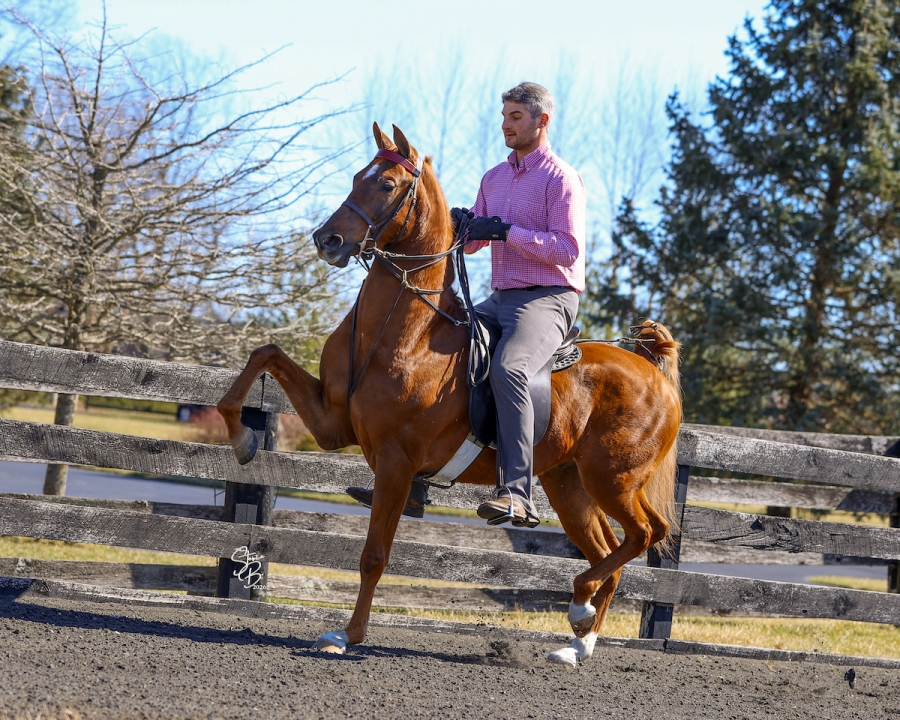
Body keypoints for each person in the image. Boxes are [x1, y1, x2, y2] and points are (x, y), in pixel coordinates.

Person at [348, 81, 586, 527]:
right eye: (504, 117)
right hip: (500, 297)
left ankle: (517, 495)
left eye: (516, 117)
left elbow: (568, 250)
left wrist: (506, 232)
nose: (506, 125)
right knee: (434, 354)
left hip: (549, 299)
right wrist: (461, 226)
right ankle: (413, 480)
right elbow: (473, 241)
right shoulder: (493, 178)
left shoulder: (561, 178)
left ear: (542, 121)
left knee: (510, 368)